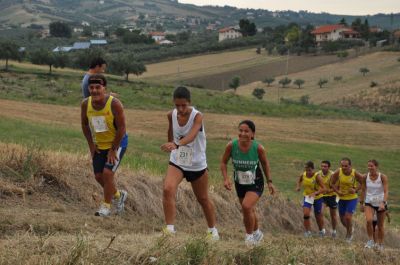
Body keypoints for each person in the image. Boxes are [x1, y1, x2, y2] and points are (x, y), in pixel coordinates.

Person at [160, 86, 219, 240]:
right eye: (177, 105)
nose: (180, 109)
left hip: (196, 164)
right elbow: (171, 132)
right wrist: (170, 143)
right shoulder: (170, 115)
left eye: (183, 105)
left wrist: (177, 144)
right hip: (177, 161)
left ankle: (212, 231)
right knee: (168, 189)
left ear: (189, 102)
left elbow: (192, 135)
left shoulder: (197, 116)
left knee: (203, 198)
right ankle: (169, 230)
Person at [220, 120, 275, 246]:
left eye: (246, 131)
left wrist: (270, 182)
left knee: (246, 206)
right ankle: (257, 233)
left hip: (256, 181)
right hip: (239, 182)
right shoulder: (231, 146)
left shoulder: (258, 148)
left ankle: (249, 237)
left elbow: (265, 164)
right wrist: (226, 178)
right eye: (240, 130)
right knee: (248, 209)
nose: (243, 133)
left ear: (252, 134)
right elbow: (223, 162)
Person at [81, 74, 128, 216]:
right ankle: (119, 196)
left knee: (108, 174)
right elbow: (84, 125)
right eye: (91, 87)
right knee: (98, 176)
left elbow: (122, 128)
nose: (94, 90)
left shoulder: (114, 104)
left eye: (98, 87)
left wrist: (113, 150)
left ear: (104, 88)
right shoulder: (85, 104)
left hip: (117, 143)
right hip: (99, 144)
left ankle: (106, 207)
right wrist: (91, 145)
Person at [330, 157, 363, 242]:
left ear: (350, 166)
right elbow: (332, 183)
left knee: (348, 217)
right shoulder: (338, 171)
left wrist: (355, 190)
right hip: (341, 198)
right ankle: (350, 229)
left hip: (352, 198)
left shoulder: (354, 173)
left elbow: (363, 182)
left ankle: (349, 235)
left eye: (346, 166)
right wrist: (337, 191)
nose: (344, 168)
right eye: (342, 166)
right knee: (342, 219)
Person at [360, 159, 389, 250]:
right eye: (368, 166)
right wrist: (361, 203)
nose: (370, 168)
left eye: (371, 166)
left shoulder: (382, 177)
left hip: (381, 202)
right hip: (369, 202)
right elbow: (363, 190)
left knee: (380, 226)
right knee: (369, 220)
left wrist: (383, 203)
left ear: (376, 166)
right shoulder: (365, 177)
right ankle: (370, 241)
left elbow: (386, 191)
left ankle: (380, 244)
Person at [296, 161, 326, 238]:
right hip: (307, 197)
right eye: (306, 170)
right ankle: (307, 232)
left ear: (313, 169)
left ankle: (321, 231)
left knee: (318, 216)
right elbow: (299, 180)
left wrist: (315, 193)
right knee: (306, 214)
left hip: (317, 198)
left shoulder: (317, 176)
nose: (308, 172)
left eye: (309, 170)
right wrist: (298, 186)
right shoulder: (303, 174)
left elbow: (324, 189)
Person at [317, 160, 338, 238]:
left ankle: (334, 230)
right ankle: (322, 230)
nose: (323, 168)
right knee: (320, 212)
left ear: (329, 167)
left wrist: (329, 190)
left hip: (332, 196)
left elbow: (337, 187)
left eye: (325, 166)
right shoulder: (318, 174)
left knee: (333, 215)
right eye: (322, 166)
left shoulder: (333, 175)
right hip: (322, 196)